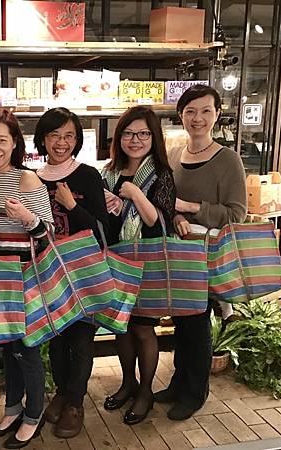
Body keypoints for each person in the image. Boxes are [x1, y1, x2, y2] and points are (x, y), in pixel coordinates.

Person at [154, 84, 246, 420]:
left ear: (217, 115)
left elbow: (237, 213)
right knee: (182, 322)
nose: (198, 118)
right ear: (180, 115)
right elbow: (166, 202)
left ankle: (195, 392)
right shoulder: (174, 155)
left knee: (197, 325)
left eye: (206, 111)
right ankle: (179, 383)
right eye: (191, 111)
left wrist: (190, 207)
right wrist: (176, 215)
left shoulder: (228, 160)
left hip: (208, 256)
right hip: (179, 253)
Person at [0, 108, 54, 449]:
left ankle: (34, 414)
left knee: (27, 347)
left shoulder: (27, 179)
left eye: (2, 140)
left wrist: (26, 216)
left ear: (15, 142)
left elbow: (48, 234)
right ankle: (12, 408)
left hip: (24, 276)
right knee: (9, 345)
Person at [33, 107, 109, 438]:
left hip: (84, 272)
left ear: (77, 140)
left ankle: (75, 403)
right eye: (54, 135)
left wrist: (72, 205)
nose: (61, 143)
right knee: (57, 339)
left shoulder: (88, 175)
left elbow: (103, 230)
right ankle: (62, 393)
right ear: (42, 139)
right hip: (49, 272)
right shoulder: (33, 178)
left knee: (81, 340)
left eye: (69, 136)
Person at [100, 106, 176, 425]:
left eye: (143, 133)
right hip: (117, 260)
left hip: (149, 263)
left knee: (144, 328)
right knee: (121, 325)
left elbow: (158, 220)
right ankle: (128, 383)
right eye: (129, 133)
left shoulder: (161, 174)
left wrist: (133, 194)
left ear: (153, 137)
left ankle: (145, 391)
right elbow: (105, 221)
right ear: (119, 138)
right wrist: (114, 205)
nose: (135, 140)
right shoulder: (109, 173)